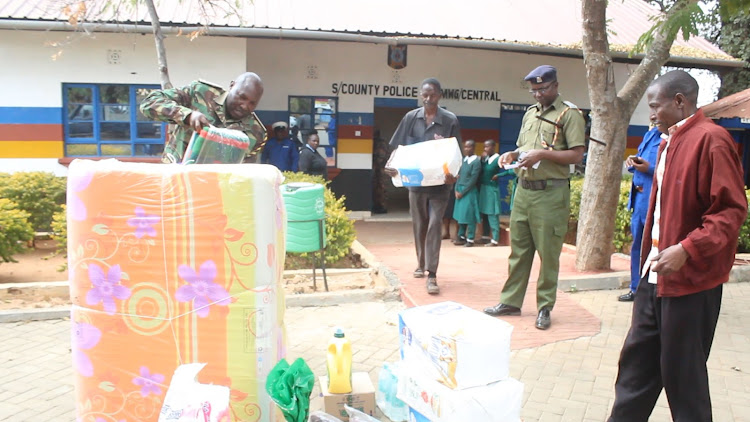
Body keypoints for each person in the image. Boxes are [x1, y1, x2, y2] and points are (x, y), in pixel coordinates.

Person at [608, 70, 747, 422]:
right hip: (654, 277)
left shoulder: (712, 140)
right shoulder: (667, 140)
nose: (651, 113)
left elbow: (730, 211)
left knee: (683, 380)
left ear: (680, 101)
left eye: (655, 106)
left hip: (690, 283)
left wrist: (687, 248)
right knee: (635, 369)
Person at [484, 65, 585, 330]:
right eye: (534, 90)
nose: (538, 95)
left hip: (551, 194)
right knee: (518, 251)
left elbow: (576, 154)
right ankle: (510, 302)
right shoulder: (530, 114)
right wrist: (512, 155)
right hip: (524, 191)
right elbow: (523, 147)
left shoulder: (569, 114)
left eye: (543, 89)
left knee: (548, 254)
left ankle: (544, 307)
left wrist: (543, 155)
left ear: (555, 85)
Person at [385, 77, 462, 295]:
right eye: (425, 95)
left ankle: (432, 274)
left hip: (440, 185)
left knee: (435, 224)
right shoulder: (410, 118)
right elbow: (398, 148)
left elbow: (458, 153)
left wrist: (454, 176)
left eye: (433, 95)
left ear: (440, 95)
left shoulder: (449, 120)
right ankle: (420, 263)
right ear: (420, 95)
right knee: (419, 224)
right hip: (416, 183)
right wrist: (391, 165)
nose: (428, 99)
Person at [140, 72, 266, 163]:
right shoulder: (200, 93)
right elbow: (149, 103)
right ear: (232, 85)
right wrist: (187, 115)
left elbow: (244, 173)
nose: (245, 106)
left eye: (252, 103)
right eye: (242, 97)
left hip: (212, 191)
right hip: (174, 179)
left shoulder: (256, 133)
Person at [618, 125, 661, 302]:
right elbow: (642, 163)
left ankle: (653, 291)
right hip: (639, 202)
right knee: (637, 247)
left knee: (655, 248)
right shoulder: (650, 135)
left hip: (655, 204)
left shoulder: (672, 139)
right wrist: (633, 162)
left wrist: (649, 169)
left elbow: (673, 170)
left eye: (657, 108)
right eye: (651, 109)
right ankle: (636, 289)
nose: (653, 115)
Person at [478, 139, 509, 247]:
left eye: (487, 147)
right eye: (484, 147)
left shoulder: (498, 159)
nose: (485, 149)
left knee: (492, 213)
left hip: (491, 189)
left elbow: (511, 170)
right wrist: (482, 161)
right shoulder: (486, 158)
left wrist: (498, 176)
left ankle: (495, 239)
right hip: (484, 189)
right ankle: (485, 236)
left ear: (493, 147)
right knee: (485, 213)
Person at [453, 140, 481, 247]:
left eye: (469, 147)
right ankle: (461, 236)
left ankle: (470, 239)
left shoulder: (476, 162)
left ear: (473, 148)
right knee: (461, 215)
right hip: (459, 190)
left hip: (469, 192)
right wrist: (456, 189)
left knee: (469, 216)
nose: (466, 149)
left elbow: (473, 180)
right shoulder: (464, 160)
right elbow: (458, 176)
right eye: (465, 147)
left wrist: (462, 192)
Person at [371, 129, 389, 214]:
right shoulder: (374, 142)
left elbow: (381, 156)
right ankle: (377, 206)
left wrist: (376, 163)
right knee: (375, 188)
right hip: (377, 169)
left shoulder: (381, 143)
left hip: (382, 169)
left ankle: (382, 206)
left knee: (382, 189)